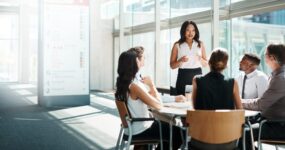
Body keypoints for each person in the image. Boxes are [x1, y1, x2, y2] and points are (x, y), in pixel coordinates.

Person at [115, 49, 183, 150]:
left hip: (130, 128)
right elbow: (158, 105)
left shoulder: (124, 84)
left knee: (166, 127)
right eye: (140, 59)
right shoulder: (134, 86)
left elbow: (149, 98)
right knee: (178, 133)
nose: (142, 60)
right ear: (134, 62)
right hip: (141, 129)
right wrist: (152, 85)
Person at [242, 44, 285, 149]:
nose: (263, 57)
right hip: (269, 120)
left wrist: (239, 102)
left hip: (278, 125)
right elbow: (263, 101)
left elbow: (261, 104)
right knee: (239, 126)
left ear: (272, 58)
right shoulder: (276, 75)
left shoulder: (280, 78)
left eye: (265, 54)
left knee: (244, 133)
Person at [170, 20, 208, 96]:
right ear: (183, 31)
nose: (191, 33)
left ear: (196, 31)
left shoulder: (200, 44)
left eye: (193, 30)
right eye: (188, 30)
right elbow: (172, 65)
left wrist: (200, 59)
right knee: (182, 101)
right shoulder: (177, 45)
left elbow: (206, 64)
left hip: (198, 76)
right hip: (183, 76)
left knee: (198, 103)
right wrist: (180, 60)